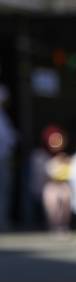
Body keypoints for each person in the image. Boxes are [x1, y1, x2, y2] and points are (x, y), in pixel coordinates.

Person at [39, 127, 73, 235]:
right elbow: (43, 176)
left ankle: (64, 225)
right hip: (50, 185)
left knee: (66, 196)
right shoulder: (41, 156)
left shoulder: (65, 156)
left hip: (63, 185)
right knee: (52, 201)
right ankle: (54, 226)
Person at [0, 86, 15, 231]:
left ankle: (2, 220)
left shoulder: (4, 117)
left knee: (4, 190)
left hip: (3, 158)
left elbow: (11, 140)